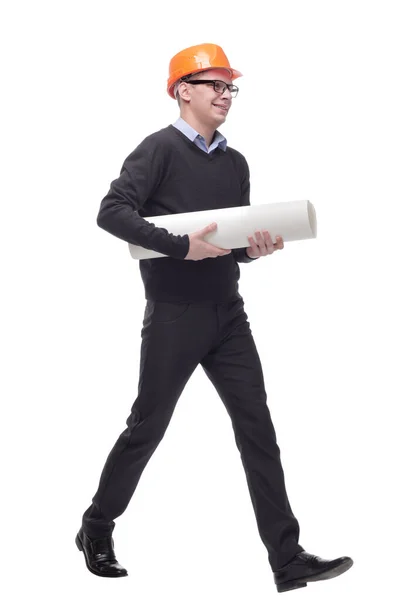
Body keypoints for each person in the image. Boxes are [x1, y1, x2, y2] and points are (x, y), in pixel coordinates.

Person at [76, 43, 353, 592]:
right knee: (147, 428)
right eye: (214, 85)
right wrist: (180, 248)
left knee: (258, 429)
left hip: (229, 313)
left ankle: (287, 558)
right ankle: (96, 525)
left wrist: (257, 247)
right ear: (183, 90)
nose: (226, 95)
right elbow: (112, 212)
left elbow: (230, 243)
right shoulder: (156, 150)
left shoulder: (235, 161)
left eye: (231, 87)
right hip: (176, 315)